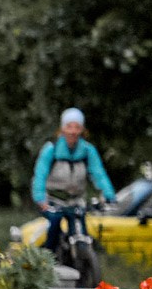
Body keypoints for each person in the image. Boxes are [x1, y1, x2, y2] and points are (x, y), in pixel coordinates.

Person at [31, 108, 116, 252]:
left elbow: (98, 173)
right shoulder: (51, 149)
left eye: (77, 127)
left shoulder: (88, 151)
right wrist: (40, 198)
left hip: (75, 201)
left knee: (81, 230)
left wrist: (108, 195)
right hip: (53, 200)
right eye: (69, 126)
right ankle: (49, 258)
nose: (73, 131)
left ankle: (84, 260)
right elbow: (40, 175)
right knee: (54, 224)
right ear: (62, 129)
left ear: (82, 130)